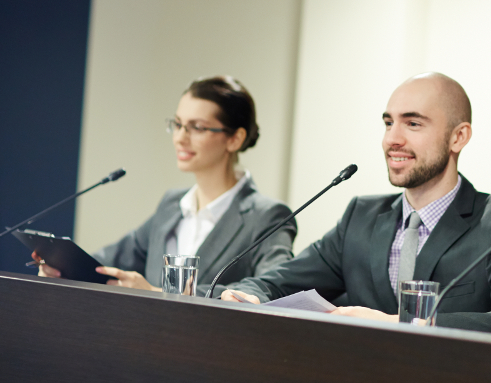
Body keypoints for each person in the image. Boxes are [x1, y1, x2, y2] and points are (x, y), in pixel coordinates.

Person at [221, 72, 491, 339]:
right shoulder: (360, 217)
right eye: (388, 122)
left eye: (413, 123)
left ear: (458, 137)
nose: (392, 138)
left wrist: (400, 322)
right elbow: (275, 282)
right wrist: (246, 295)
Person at [34, 76, 296, 296]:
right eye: (178, 124)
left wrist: (158, 293)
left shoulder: (268, 216)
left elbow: (272, 287)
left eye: (197, 127)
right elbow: (111, 260)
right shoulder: (172, 205)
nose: (181, 138)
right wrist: (63, 266)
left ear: (235, 139)